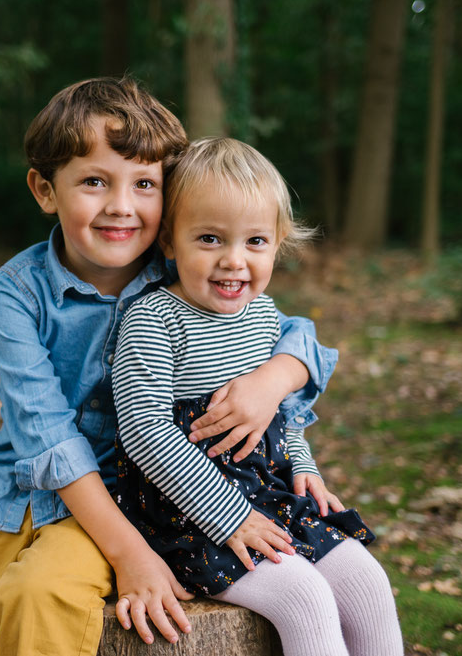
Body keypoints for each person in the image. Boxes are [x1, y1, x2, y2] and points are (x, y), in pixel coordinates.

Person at [0, 78, 338, 656]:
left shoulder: (182, 264)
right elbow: (45, 432)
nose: (121, 205)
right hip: (12, 494)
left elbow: (286, 327)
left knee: (36, 597)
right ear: (45, 190)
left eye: (145, 184)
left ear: (167, 199)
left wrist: (274, 379)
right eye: (95, 181)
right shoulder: (18, 292)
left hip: (127, 498)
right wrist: (131, 555)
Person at [112, 137, 403, 656]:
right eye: (209, 239)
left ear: (278, 242)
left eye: (255, 242)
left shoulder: (265, 316)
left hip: (268, 495)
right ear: (169, 242)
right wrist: (229, 515)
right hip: (186, 511)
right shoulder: (154, 319)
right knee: (305, 598)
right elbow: (144, 430)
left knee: (367, 583)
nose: (233, 261)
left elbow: (285, 414)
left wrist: (304, 466)